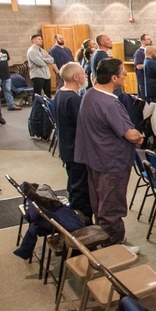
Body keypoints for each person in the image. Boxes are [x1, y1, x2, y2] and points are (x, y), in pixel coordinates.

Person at [74, 58, 144, 246]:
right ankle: (114, 246)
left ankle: (104, 238)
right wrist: (140, 136)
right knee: (111, 208)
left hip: (95, 159)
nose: (125, 75)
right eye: (122, 73)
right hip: (111, 163)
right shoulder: (110, 104)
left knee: (100, 204)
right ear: (114, 78)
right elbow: (131, 135)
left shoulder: (89, 94)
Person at [53, 62, 92, 218]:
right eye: (83, 73)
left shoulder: (59, 94)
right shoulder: (72, 99)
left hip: (67, 148)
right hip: (76, 150)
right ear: (76, 77)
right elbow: (83, 126)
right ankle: (82, 222)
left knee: (74, 185)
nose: (86, 76)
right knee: (80, 189)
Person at [132, 34, 152, 99]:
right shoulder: (139, 53)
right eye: (148, 39)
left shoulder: (150, 51)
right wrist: (150, 65)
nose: (150, 41)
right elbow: (139, 66)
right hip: (143, 80)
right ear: (143, 41)